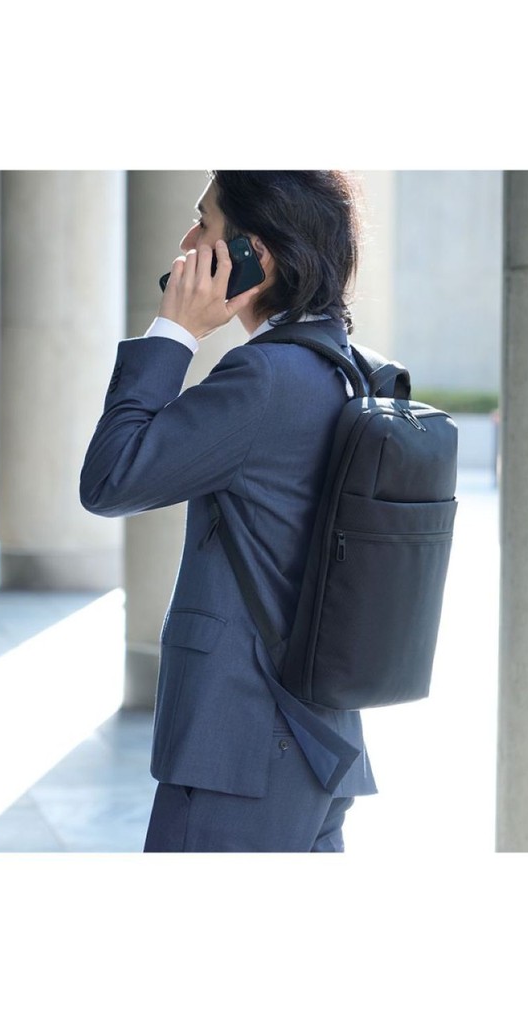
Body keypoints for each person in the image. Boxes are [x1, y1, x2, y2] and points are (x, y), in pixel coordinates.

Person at [79, 171, 377, 852]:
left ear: (253, 252)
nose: (188, 239)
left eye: (204, 222)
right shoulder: (345, 366)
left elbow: (110, 480)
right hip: (312, 740)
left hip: (239, 745)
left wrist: (174, 332)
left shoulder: (265, 378)